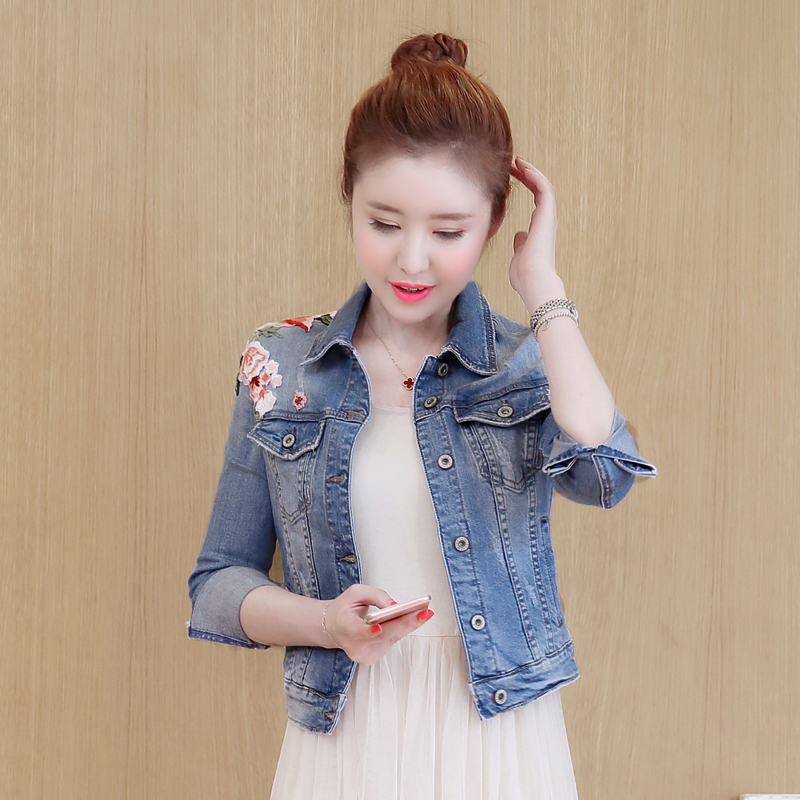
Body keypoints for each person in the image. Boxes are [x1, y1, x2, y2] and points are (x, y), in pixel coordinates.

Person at [187, 32, 656, 800]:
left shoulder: (528, 362)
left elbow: (605, 475)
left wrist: (544, 290)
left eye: (447, 232)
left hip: (500, 739)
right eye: (384, 223)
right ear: (349, 201)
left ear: (494, 223)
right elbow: (217, 584)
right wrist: (328, 624)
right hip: (347, 734)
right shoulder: (281, 363)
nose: (411, 260)